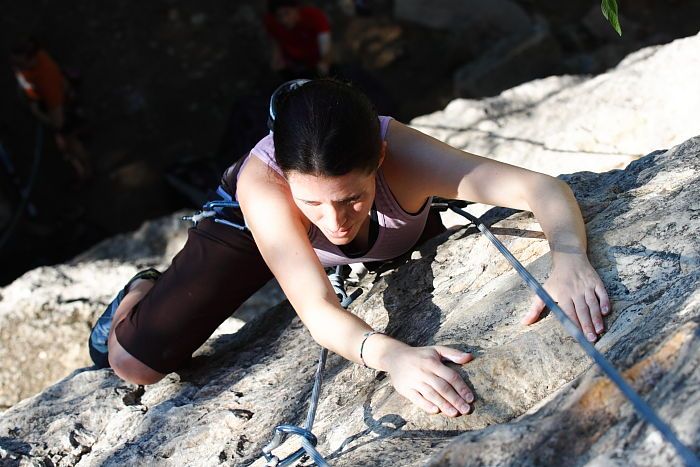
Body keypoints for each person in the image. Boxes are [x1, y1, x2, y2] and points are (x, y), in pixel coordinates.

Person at [89, 79, 610, 418]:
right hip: (256, 230)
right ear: (286, 177)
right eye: (313, 202)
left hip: (382, 227)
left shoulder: (402, 154)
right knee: (133, 363)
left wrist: (568, 255)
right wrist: (392, 356)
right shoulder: (265, 187)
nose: (335, 222)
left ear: (380, 157)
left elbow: (539, 188)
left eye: (352, 198)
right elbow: (316, 308)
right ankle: (141, 288)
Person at [10, 37, 91, 185]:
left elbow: (58, 124)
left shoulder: (47, 84)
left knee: (68, 144)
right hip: (58, 98)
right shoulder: (33, 59)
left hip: (59, 107)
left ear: (31, 59)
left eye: (20, 64)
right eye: (14, 63)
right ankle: (82, 131)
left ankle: (85, 172)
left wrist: (37, 113)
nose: (16, 68)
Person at [264, 0, 333, 79]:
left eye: (287, 13)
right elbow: (275, 43)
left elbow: (326, 51)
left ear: (296, 9)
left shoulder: (314, 16)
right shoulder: (271, 22)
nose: (284, 20)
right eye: (279, 16)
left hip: (317, 65)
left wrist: (324, 65)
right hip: (295, 66)